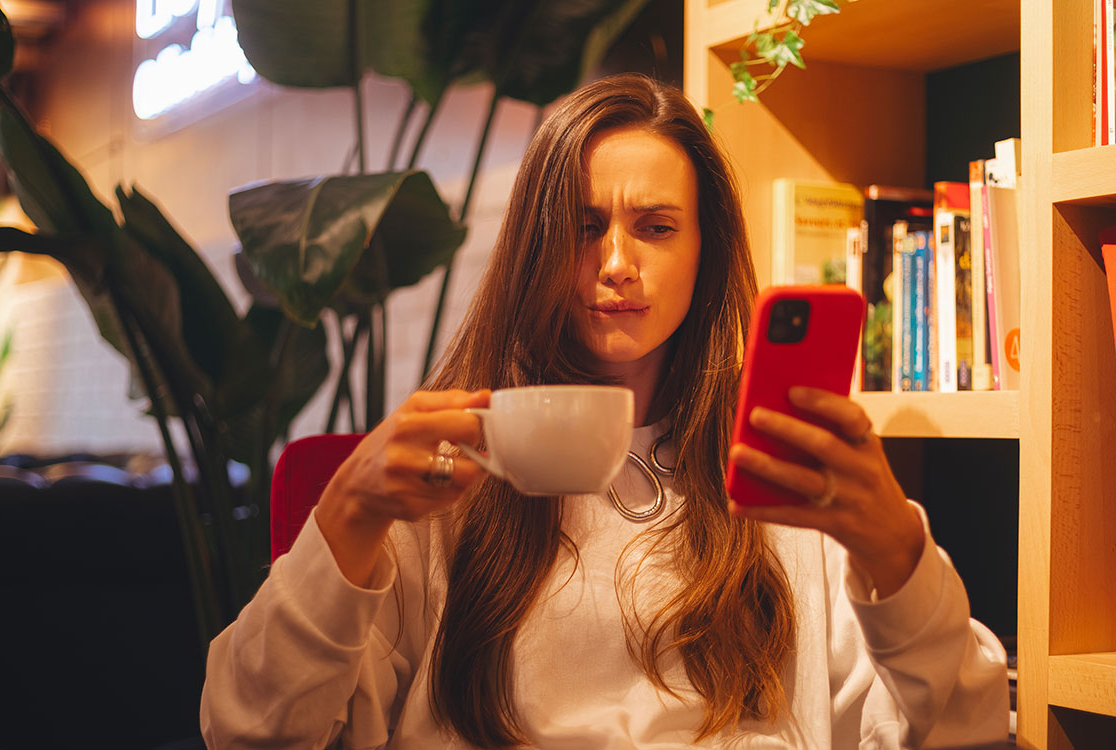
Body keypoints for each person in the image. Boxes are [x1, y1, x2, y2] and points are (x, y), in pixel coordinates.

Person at [200, 73, 1009, 749]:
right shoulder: (445, 478)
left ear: (706, 251)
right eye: (584, 227)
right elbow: (247, 730)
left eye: (655, 228)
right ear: (535, 245)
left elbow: (967, 725)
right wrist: (347, 511)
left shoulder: (779, 483)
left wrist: (897, 553)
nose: (616, 264)